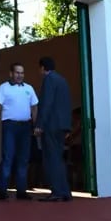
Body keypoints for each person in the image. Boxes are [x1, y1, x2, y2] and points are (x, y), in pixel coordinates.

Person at [0, 62, 39, 201]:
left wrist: (36, 125)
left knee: (23, 159)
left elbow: (34, 108)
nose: (20, 75)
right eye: (17, 72)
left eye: (22, 73)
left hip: (26, 127)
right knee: (8, 157)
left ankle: (21, 191)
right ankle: (2, 191)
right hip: (10, 126)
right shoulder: (3, 88)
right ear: (11, 73)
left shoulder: (29, 88)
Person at [34, 57, 73, 202]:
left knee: (51, 159)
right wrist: (67, 126)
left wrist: (39, 125)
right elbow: (66, 104)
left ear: (43, 68)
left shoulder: (49, 80)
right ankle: (64, 192)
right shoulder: (62, 81)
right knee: (58, 158)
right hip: (61, 126)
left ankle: (57, 191)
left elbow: (46, 103)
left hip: (51, 126)